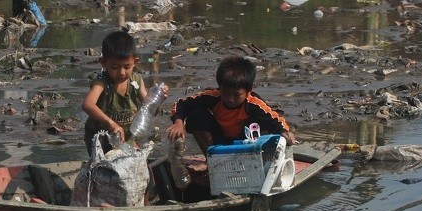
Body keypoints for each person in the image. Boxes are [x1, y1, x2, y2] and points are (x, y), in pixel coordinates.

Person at [166, 55, 295, 155]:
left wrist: (286, 133)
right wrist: (178, 123)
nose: (230, 99)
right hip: (220, 141)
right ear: (219, 88)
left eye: (237, 95)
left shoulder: (255, 104)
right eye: (226, 93)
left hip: (246, 142)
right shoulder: (212, 97)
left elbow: (277, 121)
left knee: (264, 124)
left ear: (247, 92)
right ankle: (211, 160)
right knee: (196, 116)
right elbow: (182, 104)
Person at [82, 30, 168, 152]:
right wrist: (110, 123)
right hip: (101, 139)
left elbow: (148, 108)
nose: (121, 72)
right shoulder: (101, 83)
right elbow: (87, 105)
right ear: (104, 63)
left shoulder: (136, 81)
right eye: (115, 67)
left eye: (127, 67)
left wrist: (158, 98)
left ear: (135, 62)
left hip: (127, 136)